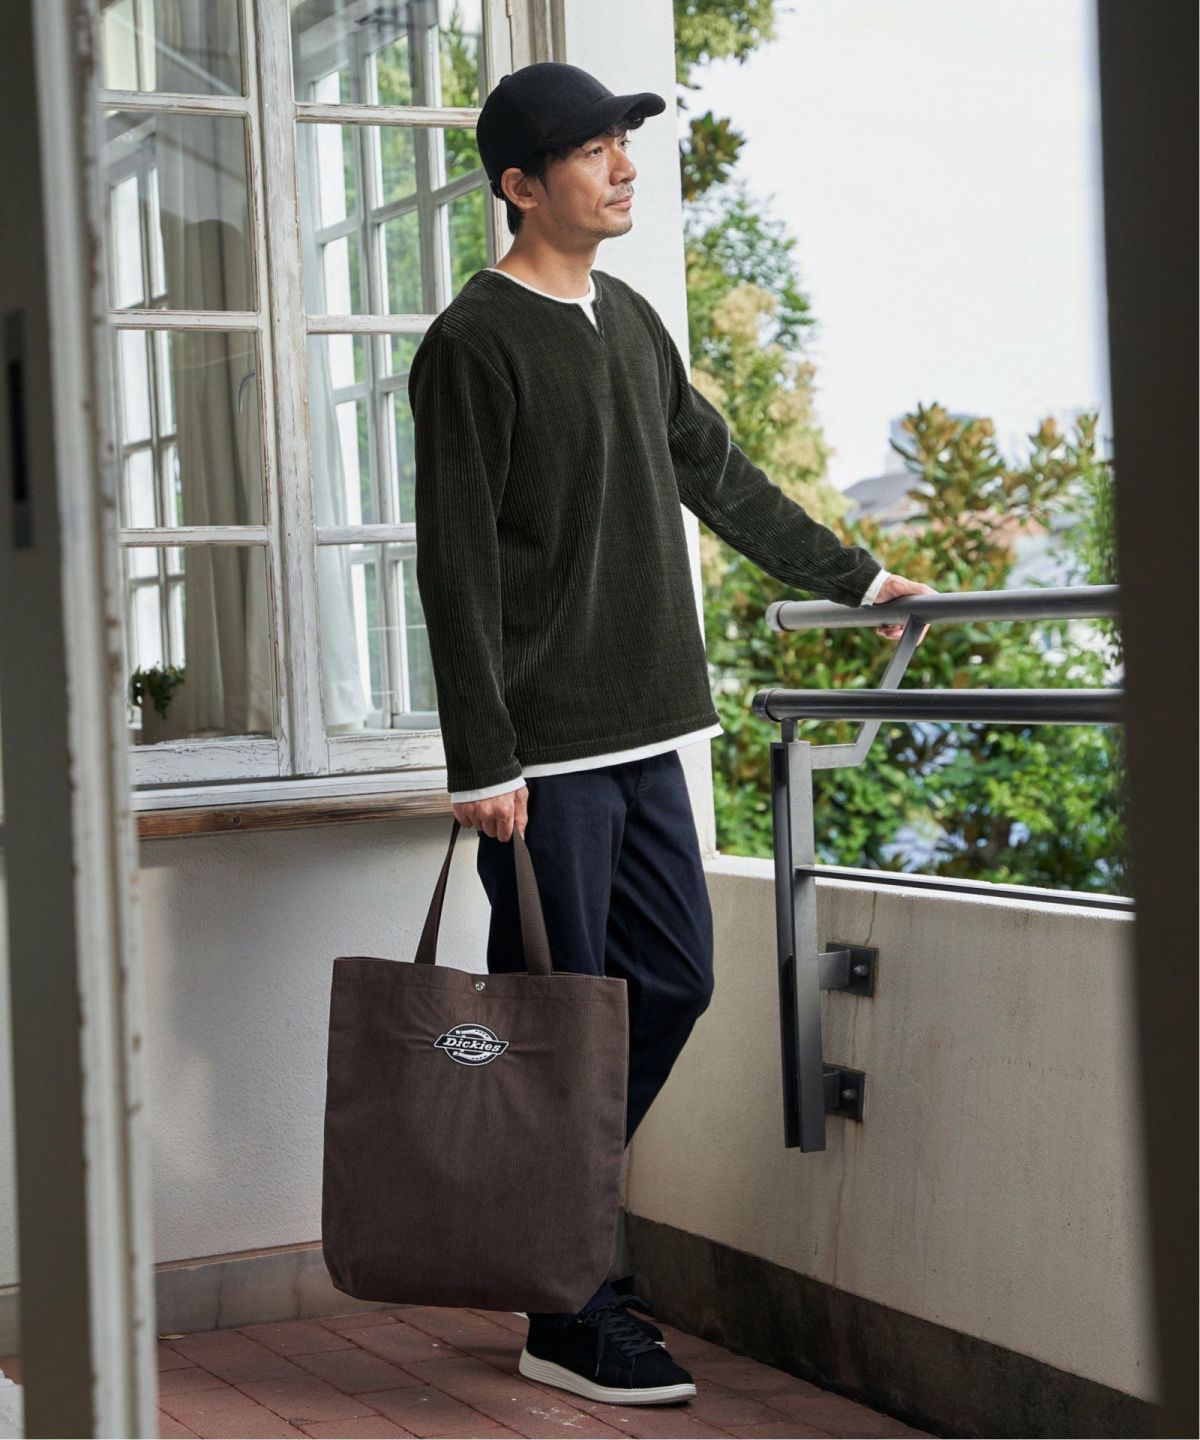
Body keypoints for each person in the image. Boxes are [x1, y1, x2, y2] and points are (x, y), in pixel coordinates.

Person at [408, 60, 936, 1408]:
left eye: (621, 144)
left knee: (675, 982)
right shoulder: (472, 343)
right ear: (522, 185)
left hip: (647, 732)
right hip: (542, 762)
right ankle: (566, 1305)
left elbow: (715, 470)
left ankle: (545, 1237)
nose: (623, 166)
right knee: (554, 1028)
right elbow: (453, 562)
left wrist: (856, 578)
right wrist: (483, 759)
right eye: (592, 151)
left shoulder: (630, 320)